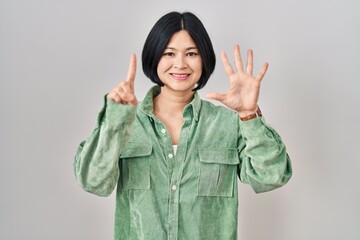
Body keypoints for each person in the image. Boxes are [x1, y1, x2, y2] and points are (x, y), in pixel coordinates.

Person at [73, 11, 292, 240]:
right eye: (169, 53)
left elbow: (272, 176)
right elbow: (92, 181)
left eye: (191, 53)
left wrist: (249, 114)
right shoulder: (127, 123)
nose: (180, 64)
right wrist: (114, 120)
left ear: (203, 59)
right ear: (154, 56)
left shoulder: (227, 125)